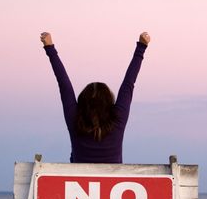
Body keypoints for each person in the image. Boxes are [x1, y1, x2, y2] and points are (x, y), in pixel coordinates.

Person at [40, 31, 150, 163]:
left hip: (76, 181)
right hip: (113, 180)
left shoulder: (74, 119)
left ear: (83, 102)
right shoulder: (117, 120)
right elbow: (128, 84)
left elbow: (64, 85)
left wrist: (50, 48)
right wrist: (141, 48)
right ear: (109, 103)